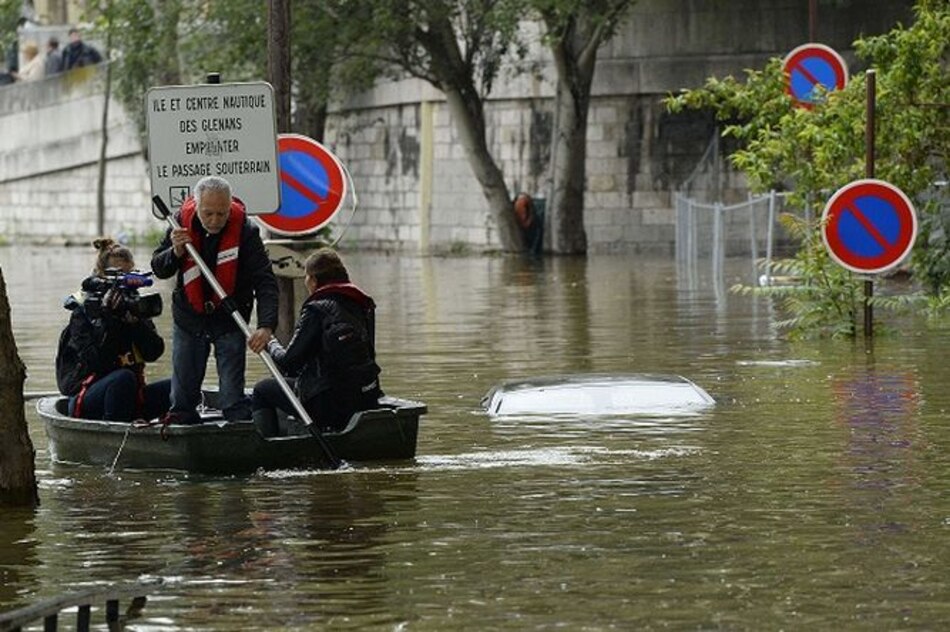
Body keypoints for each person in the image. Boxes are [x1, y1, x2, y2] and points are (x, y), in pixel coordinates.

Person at [151, 175, 279, 424]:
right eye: (208, 213)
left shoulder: (247, 231)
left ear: (230, 207)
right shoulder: (179, 223)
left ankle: (238, 437)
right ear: (196, 206)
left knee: (233, 398)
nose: (215, 221)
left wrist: (266, 326)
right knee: (182, 398)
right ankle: (183, 433)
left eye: (222, 214)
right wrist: (175, 252)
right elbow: (159, 267)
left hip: (230, 318)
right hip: (189, 318)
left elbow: (265, 282)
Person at [250, 248, 382, 436]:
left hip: (328, 403)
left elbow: (289, 362)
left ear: (312, 280)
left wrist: (271, 343)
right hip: (365, 395)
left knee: (263, 390)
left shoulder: (316, 309)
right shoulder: (363, 305)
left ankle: (268, 450)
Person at [60, 239, 171, 422]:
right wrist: (109, 319)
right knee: (122, 378)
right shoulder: (84, 312)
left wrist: (136, 323)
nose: (125, 290)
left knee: (182, 386)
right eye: (119, 282)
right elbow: (97, 362)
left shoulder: (133, 306)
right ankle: (116, 435)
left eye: (129, 280)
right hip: (89, 396)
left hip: (131, 394)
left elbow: (153, 353)